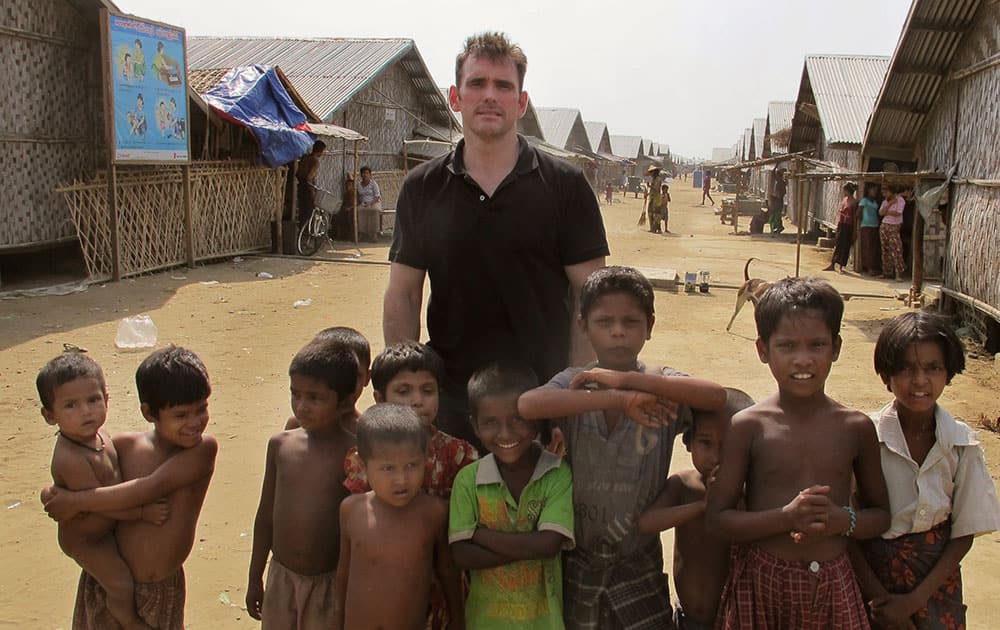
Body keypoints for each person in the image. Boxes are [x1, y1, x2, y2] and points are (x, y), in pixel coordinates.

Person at [383, 32, 608, 452]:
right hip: (451, 402)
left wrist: (572, 389)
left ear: (521, 103)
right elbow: (403, 293)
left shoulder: (565, 186)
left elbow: (590, 296)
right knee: (452, 516)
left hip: (540, 400)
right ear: (455, 96)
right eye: (477, 83)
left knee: (541, 517)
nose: (490, 96)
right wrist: (405, 388)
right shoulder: (421, 188)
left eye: (503, 86)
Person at [518, 265, 727, 629]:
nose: (618, 332)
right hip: (576, 560)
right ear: (583, 325)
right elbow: (528, 405)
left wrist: (626, 381)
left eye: (631, 322)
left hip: (639, 560)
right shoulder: (575, 382)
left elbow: (715, 395)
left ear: (650, 325)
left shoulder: (662, 384)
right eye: (605, 322)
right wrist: (616, 400)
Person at [706, 277, 891, 629]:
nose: (803, 359)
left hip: (835, 585)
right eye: (787, 345)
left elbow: (881, 515)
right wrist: (786, 517)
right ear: (763, 349)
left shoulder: (855, 428)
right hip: (762, 583)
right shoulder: (749, 426)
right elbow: (718, 520)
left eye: (817, 344)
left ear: (836, 348)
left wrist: (842, 521)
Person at [42, 346, 218, 630]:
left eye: (202, 409)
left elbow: (150, 487)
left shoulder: (202, 450)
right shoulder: (123, 446)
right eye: (181, 414)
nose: (195, 422)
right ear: (149, 413)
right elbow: (79, 480)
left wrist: (75, 501)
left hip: (158, 589)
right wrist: (54, 495)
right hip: (107, 581)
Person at [850, 312, 1000, 629]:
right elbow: (846, 529)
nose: (920, 380)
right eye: (906, 368)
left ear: (948, 373)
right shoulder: (864, 440)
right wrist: (881, 600)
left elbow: (964, 534)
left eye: (933, 368)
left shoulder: (961, 445)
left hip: (936, 584)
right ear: (885, 376)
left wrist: (915, 601)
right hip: (869, 582)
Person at [342, 341, 477, 630]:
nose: (417, 401)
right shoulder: (362, 457)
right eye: (404, 391)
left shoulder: (460, 455)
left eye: (427, 390)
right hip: (383, 587)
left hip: (439, 591)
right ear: (380, 398)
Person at [37, 351, 161, 630]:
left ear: (106, 399)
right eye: (70, 405)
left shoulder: (100, 436)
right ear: (50, 415)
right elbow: (100, 503)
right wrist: (142, 511)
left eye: (93, 400)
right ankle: (127, 619)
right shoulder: (71, 458)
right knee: (120, 584)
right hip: (87, 539)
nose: (86, 411)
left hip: (106, 525)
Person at [449, 362, 574, 629]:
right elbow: (461, 556)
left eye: (517, 419)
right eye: (491, 422)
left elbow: (548, 546)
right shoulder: (467, 481)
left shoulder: (557, 473)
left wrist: (478, 535)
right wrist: (530, 545)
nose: (505, 433)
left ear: (537, 419)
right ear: (474, 425)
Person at [246, 338, 360, 628]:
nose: (301, 406)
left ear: (345, 402)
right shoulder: (280, 446)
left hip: (330, 584)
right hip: (281, 579)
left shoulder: (355, 455)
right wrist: (254, 577)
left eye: (315, 397)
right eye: (295, 394)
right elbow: (265, 516)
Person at [335, 404, 464, 629]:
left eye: (412, 466)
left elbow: (448, 572)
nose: (402, 480)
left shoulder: (433, 513)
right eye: (388, 469)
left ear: (425, 459)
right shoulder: (351, 510)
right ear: (364, 466)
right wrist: (336, 622)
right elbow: (343, 573)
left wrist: (458, 619)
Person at [639, 388, 755, 630]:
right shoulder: (683, 485)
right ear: (688, 442)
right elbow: (647, 522)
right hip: (687, 618)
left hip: (736, 618)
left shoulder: (750, 495)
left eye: (727, 447)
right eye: (705, 443)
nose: (715, 457)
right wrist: (703, 506)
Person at [284, 326, 370, 435]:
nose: (342, 384)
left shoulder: (367, 433)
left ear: (367, 377)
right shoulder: (296, 424)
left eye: (353, 376)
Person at [824, 183, 858, 273]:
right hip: (841, 224)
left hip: (848, 225)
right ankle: (833, 263)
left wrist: (854, 230)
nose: (843, 192)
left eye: (845, 190)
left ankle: (841, 267)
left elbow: (854, 217)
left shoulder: (854, 202)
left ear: (848, 191)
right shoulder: (845, 200)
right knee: (838, 244)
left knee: (845, 245)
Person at [879, 184, 906, 281]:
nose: (884, 194)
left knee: (897, 249)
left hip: (894, 226)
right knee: (885, 250)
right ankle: (886, 272)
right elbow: (880, 213)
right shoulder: (885, 202)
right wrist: (889, 205)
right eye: (883, 193)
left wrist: (886, 211)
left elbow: (898, 213)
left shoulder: (900, 200)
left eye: (886, 192)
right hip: (884, 225)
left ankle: (899, 274)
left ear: (891, 191)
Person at [296, 141, 326, 224]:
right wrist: (313, 190)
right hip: (307, 188)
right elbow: (309, 177)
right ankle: (306, 232)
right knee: (309, 211)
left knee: (302, 211)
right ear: (321, 151)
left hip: (300, 186)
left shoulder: (305, 158)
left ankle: (301, 230)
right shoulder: (315, 161)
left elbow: (298, 173)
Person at [858, 184, 881, 276]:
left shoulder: (875, 201)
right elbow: (858, 213)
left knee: (873, 247)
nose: (875, 192)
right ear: (868, 190)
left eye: (876, 190)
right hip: (866, 225)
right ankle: (868, 268)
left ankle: (872, 267)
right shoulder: (864, 201)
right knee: (867, 247)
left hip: (874, 225)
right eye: (873, 190)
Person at [645, 165, 664, 233]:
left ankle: (656, 228)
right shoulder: (655, 179)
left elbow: (656, 189)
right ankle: (654, 228)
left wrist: (649, 186)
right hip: (654, 197)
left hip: (656, 198)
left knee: (655, 213)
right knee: (653, 213)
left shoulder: (657, 179)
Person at [767, 168, 786, 234]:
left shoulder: (780, 183)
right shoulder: (780, 182)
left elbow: (781, 193)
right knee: (776, 216)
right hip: (777, 202)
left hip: (777, 202)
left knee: (775, 216)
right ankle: (778, 228)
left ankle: (778, 228)